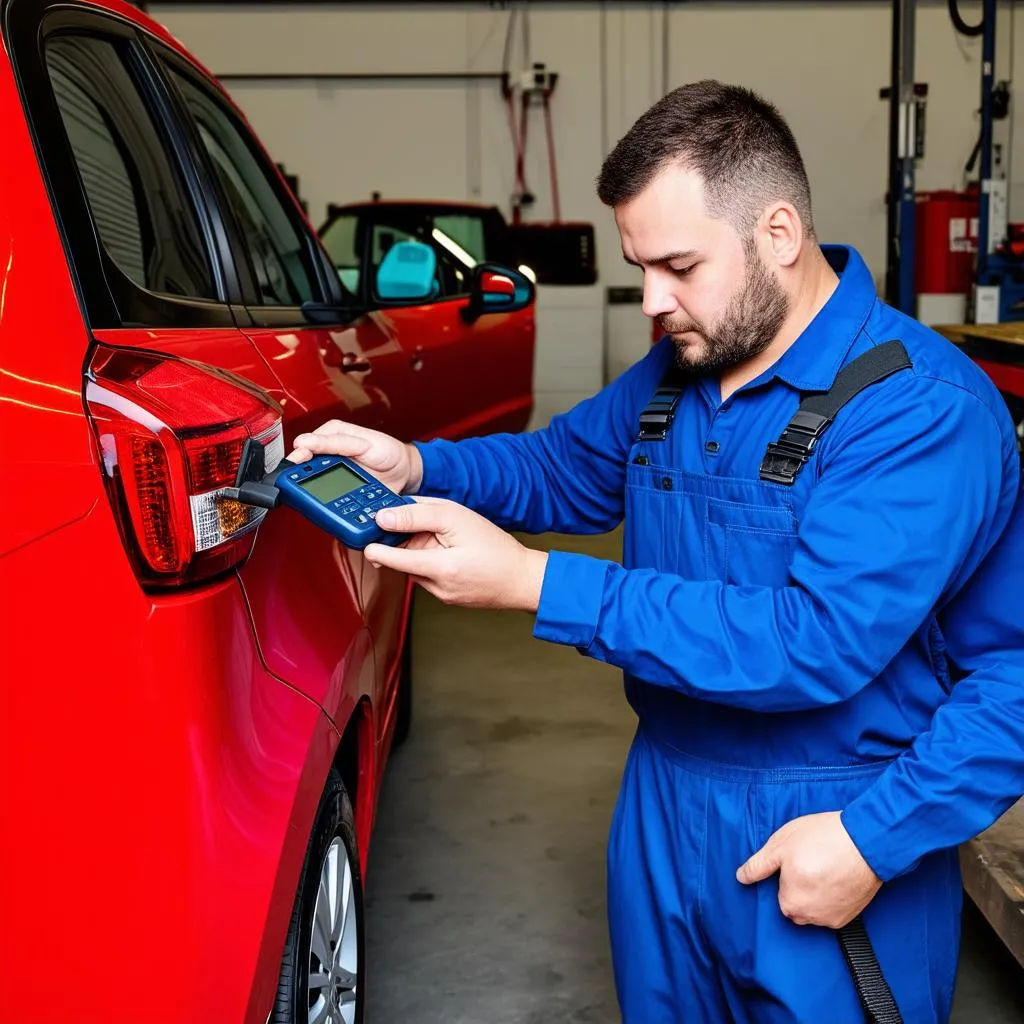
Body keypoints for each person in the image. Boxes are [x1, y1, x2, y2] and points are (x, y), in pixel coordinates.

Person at [291, 81, 1022, 1023]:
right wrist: (418, 462)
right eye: (641, 267)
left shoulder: (915, 411)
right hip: (666, 806)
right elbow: (561, 466)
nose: (650, 301)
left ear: (779, 232)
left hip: (832, 819)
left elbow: (816, 640)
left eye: (678, 265)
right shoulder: (685, 367)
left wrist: (874, 843)